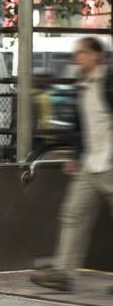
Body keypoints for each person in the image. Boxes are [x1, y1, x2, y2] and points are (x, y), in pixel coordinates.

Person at [31, 37, 113, 293]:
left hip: (110, 163)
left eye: (81, 53)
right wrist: (76, 156)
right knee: (73, 214)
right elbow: (80, 126)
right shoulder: (82, 85)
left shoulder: (109, 82)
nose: (76, 58)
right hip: (90, 164)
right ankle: (63, 274)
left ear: (97, 55)